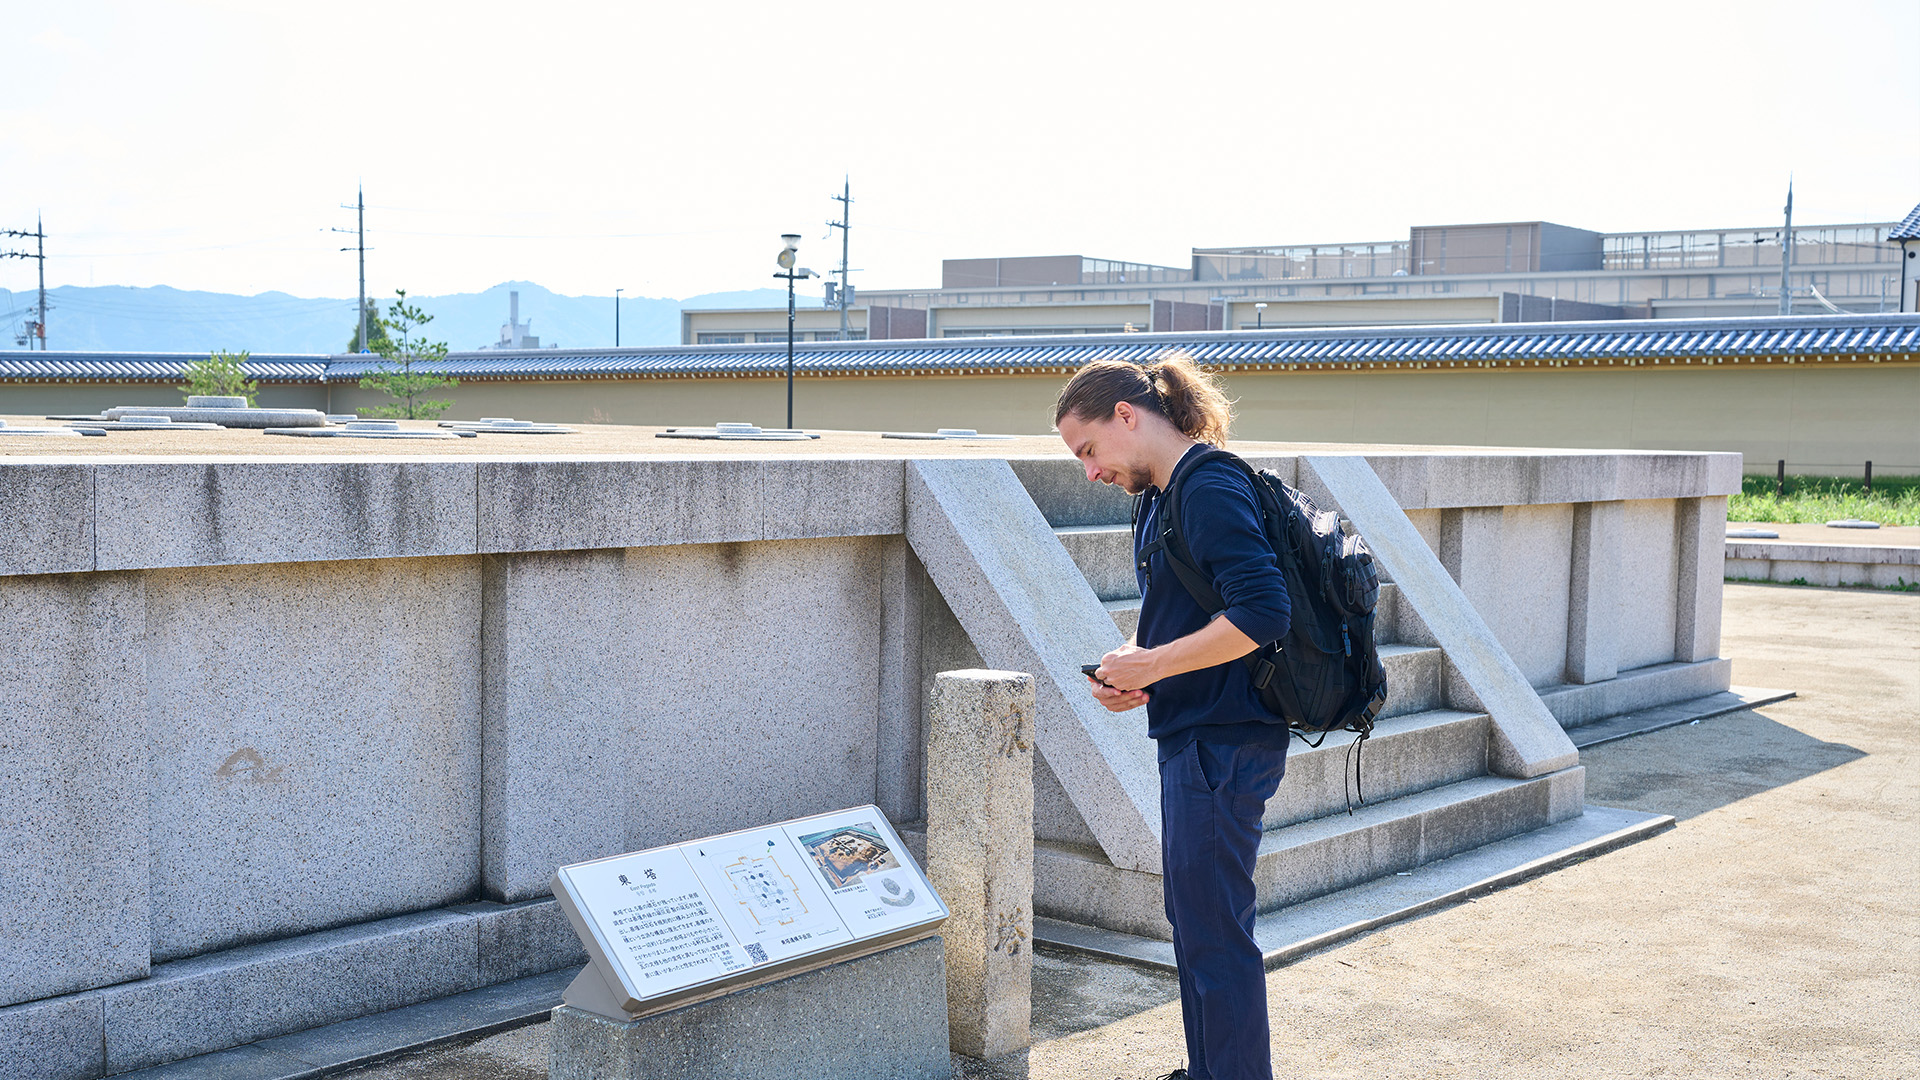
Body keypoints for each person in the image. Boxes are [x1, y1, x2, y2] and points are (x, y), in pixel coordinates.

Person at [1054, 354, 1292, 1080]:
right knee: (1194, 925)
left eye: (1088, 449)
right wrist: (1131, 669)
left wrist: (1153, 666)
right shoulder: (1159, 496)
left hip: (1226, 741)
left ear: (1126, 415)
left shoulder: (1208, 484)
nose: (1089, 471)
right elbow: (1185, 618)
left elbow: (1263, 611)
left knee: (1214, 931)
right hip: (1194, 737)